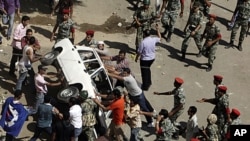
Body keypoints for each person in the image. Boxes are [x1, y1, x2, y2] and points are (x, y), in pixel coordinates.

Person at [135, 24, 161, 91]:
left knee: (144, 73)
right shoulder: (153, 39)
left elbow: (139, 52)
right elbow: (160, 37)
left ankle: (145, 86)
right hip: (152, 58)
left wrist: (136, 58)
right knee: (148, 70)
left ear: (144, 34)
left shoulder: (143, 42)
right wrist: (158, 29)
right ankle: (149, 82)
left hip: (145, 60)